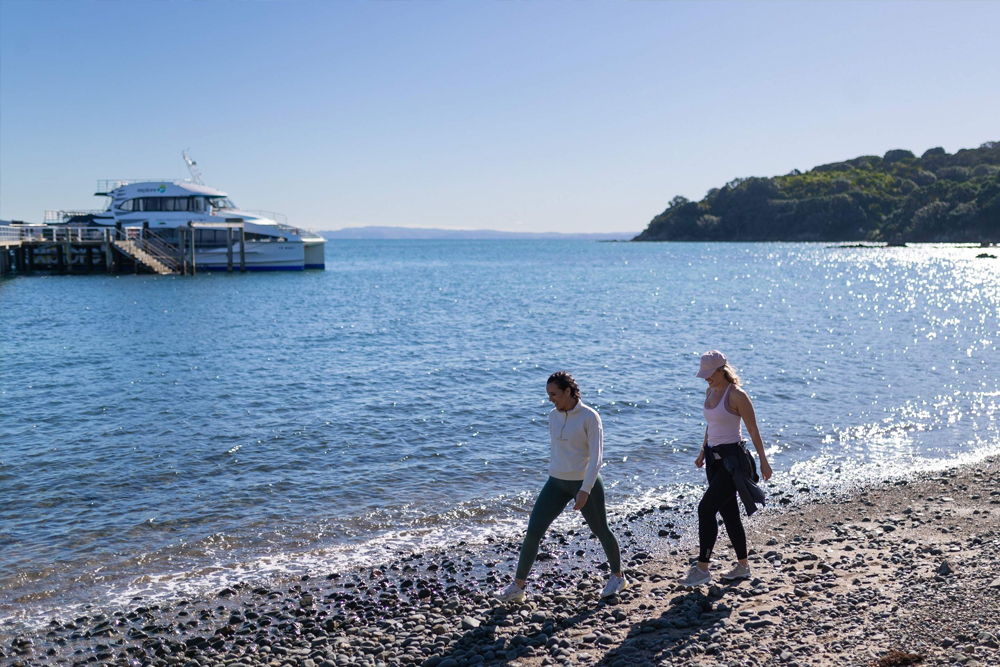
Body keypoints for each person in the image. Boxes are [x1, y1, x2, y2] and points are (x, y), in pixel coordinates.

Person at [494, 371, 626, 602]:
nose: (550, 399)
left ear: (568, 391)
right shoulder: (552, 416)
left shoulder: (589, 416)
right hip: (555, 482)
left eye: (554, 394)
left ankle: (618, 576)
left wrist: (585, 489)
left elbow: (596, 458)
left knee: (601, 529)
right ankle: (518, 587)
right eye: (548, 395)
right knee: (533, 531)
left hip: (585, 484)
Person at [679, 351, 773, 586]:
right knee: (728, 513)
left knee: (705, 509)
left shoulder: (737, 395)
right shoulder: (710, 391)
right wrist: (702, 451)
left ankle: (702, 568)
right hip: (713, 459)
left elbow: (753, 430)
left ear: (722, 370)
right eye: (704, 375)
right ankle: (743, 566)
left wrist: (763, 460)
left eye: (709, 374)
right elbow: (710, 426)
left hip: (733, 462)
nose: (705, 379)